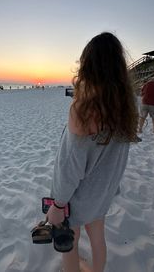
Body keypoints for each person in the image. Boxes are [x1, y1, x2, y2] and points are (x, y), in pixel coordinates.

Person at [46, 32, 138, 272]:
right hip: (105, 190)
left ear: (88, 64)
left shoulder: (83, 109)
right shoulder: (127, 104)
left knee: (69, 241)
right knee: (98, 238)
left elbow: (70, 166)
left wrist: (58, 204)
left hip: (78, 197)